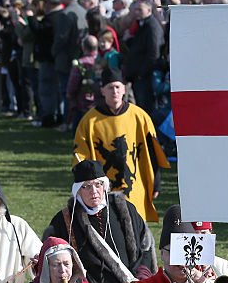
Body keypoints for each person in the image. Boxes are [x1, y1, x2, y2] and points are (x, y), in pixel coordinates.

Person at [73, 66, 170, 223]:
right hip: (103, 191)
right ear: (103, 91)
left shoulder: (140, 117)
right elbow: (81, 158)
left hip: (135, 188)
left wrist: (156, 183)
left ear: (124, 89)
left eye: (118, 87)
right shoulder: (89, 122)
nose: (115, 92)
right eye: (110, 88)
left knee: (136, 230)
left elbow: (152, 152)